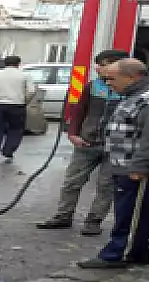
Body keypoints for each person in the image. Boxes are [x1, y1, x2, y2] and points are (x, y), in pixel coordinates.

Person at [77, 58, 149, 269]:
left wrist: (140, 167)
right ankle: (137, 252)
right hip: (126, 167)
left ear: (131, 77)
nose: (107, 83)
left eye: (111, 78)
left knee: (132, 214)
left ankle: (117, 254)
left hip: (137, 170)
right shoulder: (134, 96)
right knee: (130, 211)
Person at [37, 50, 129, 235]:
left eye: (103, 63)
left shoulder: (130, 90)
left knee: (106, 186)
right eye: (98, 63)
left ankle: (94, 221)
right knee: (72, 182)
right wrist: (73, 133)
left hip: (115, 146)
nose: (98, 67)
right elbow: (79, 110)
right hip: (87, 143)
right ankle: (63, 216)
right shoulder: (93, 86)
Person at [0, 55, 37, 162]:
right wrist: (25, 101)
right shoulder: (25, 75)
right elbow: (31, 91)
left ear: (4, 63)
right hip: (17, 106)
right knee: (16, 129)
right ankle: (8, 150)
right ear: (18, 64)